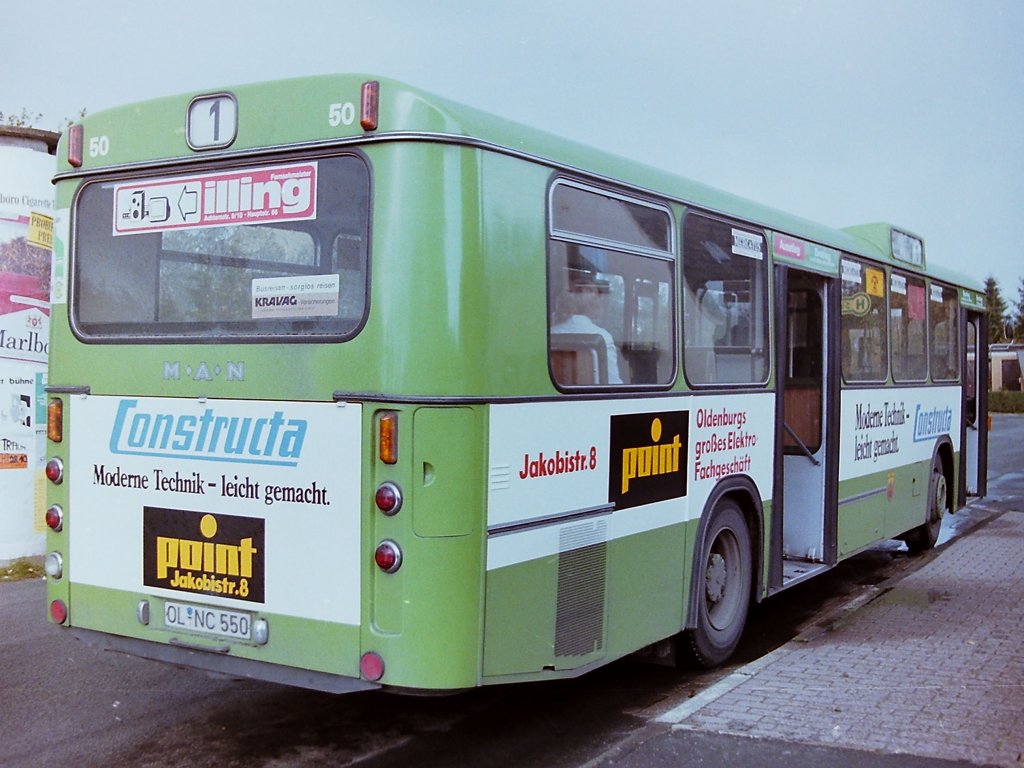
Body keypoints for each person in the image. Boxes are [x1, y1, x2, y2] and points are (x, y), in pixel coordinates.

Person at [551, 274, 623, 384]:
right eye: (599, 302)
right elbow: (613, 384)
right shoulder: (603, 338)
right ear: (593, 306)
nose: (602, 307)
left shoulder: (550, 334)